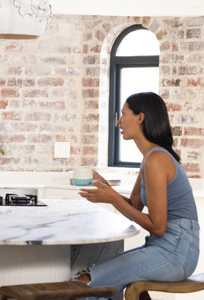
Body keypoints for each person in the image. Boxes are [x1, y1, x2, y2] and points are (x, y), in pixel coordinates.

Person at [75, 92, 199, 298]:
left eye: (123, 114)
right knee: (92, 279)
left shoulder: (156, 159)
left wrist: (113, 198)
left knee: (87, 282)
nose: (119, 121)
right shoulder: (149, 158)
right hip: (166, 247)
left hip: (176, 251)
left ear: (140, 118)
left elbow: (158, 227)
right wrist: (105, 187)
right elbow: (135, 205)